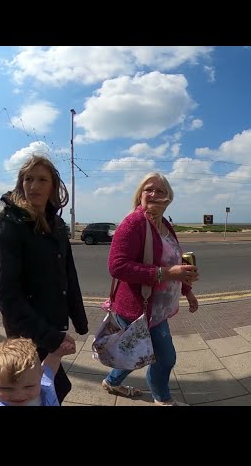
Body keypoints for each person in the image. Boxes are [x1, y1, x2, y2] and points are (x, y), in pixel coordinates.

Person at [0, 154, 88, 404]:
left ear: (53, 186)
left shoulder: (56, 223)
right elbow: (9, 297)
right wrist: (51, 337)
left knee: (52, 388)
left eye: (42, 179)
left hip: (51, 321)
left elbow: (69, 272)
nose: (34, 186)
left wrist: (79, 319)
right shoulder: (10, 224)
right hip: (26, 329)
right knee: (34, 391)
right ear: (20, 183)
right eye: (28, 179)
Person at [101, 172, 199, 406]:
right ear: (140, 195)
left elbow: (174, 261)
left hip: (157, 308)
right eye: (148, 189)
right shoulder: (133, 223)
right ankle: (162, 399)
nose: (154, 194)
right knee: (165, 359)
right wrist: (165, 274)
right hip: (139, 308)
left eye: (161, 191)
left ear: (168, 199)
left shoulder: (164, 224)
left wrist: (187, 290)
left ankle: (111, 382)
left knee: (131, 349)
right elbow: (117, 266)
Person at [0, 337, 70, 406]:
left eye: (29, 387)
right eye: (7, 389)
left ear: (40, 376)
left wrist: (57, 355)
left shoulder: (44, 385)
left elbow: (49, 368)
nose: (19, 396)